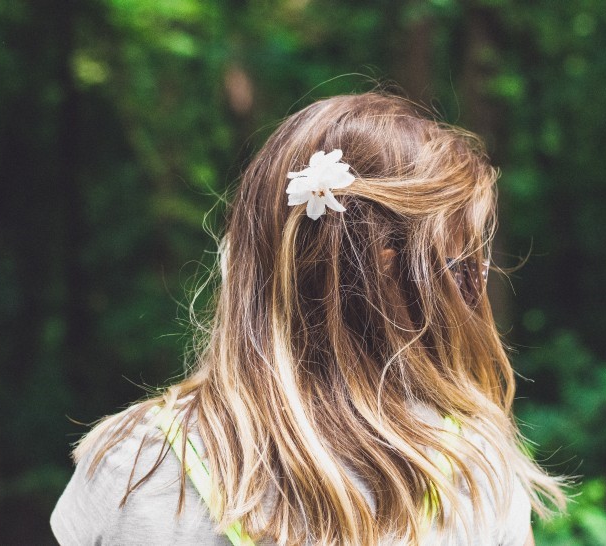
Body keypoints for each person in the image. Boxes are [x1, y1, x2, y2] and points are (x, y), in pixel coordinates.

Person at [50, 93, 566, 545]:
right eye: (462, 269)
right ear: (412, 286)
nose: (472, 287)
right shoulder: (473, 470)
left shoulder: (135, 466)